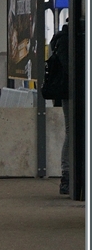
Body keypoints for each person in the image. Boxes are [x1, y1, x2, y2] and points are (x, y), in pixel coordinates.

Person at [50, 23, 71, 195]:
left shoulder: (61, 40)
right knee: (71, 133)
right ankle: (67, 174)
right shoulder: (66, 40)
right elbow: (70, 68)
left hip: (70, 92)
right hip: (71, 93)